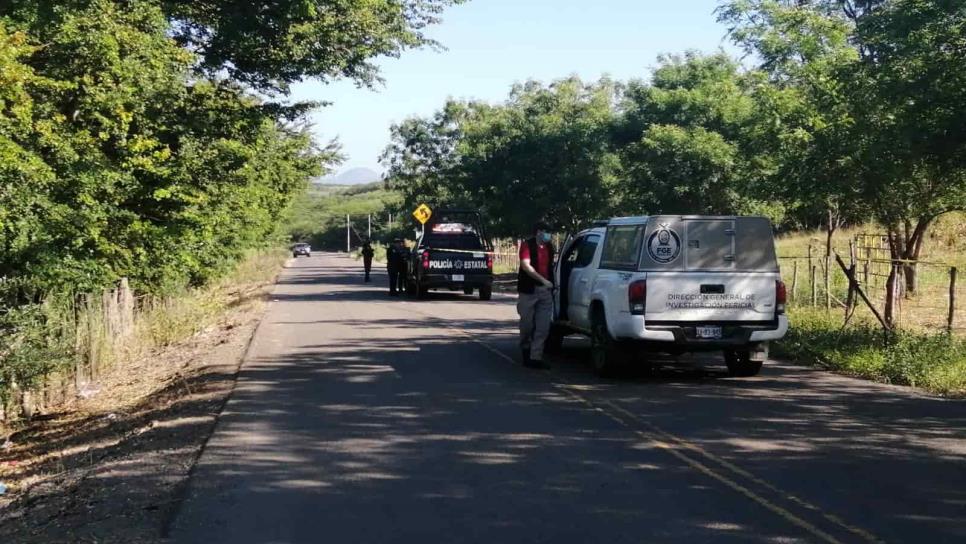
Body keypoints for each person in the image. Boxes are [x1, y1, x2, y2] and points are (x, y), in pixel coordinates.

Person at [517, 221, 555, 369]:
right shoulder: (527, 245)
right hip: (529, 290)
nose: (549, 235)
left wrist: (551, 284)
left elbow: (551, 266)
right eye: (546, 232)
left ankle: (535, 357)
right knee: (527, 324)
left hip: (545, 291)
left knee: (543, 327)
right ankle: (525, 348)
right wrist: (543, 280)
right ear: (539, 232)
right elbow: (526, 266)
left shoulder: (549, 247)